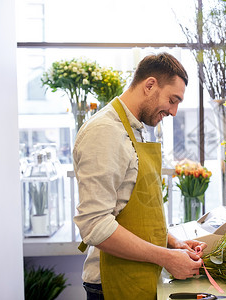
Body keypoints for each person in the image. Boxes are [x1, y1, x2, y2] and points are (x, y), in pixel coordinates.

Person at [73, 53, 207, 300]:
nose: (175, 111)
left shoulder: (134, 129)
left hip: (138, 275)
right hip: (112, 284)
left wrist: (172, 243)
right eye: (172, 100)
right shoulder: (105, 131)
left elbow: (129, 211)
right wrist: (166, 257)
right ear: (150, 85)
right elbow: (94, 225)